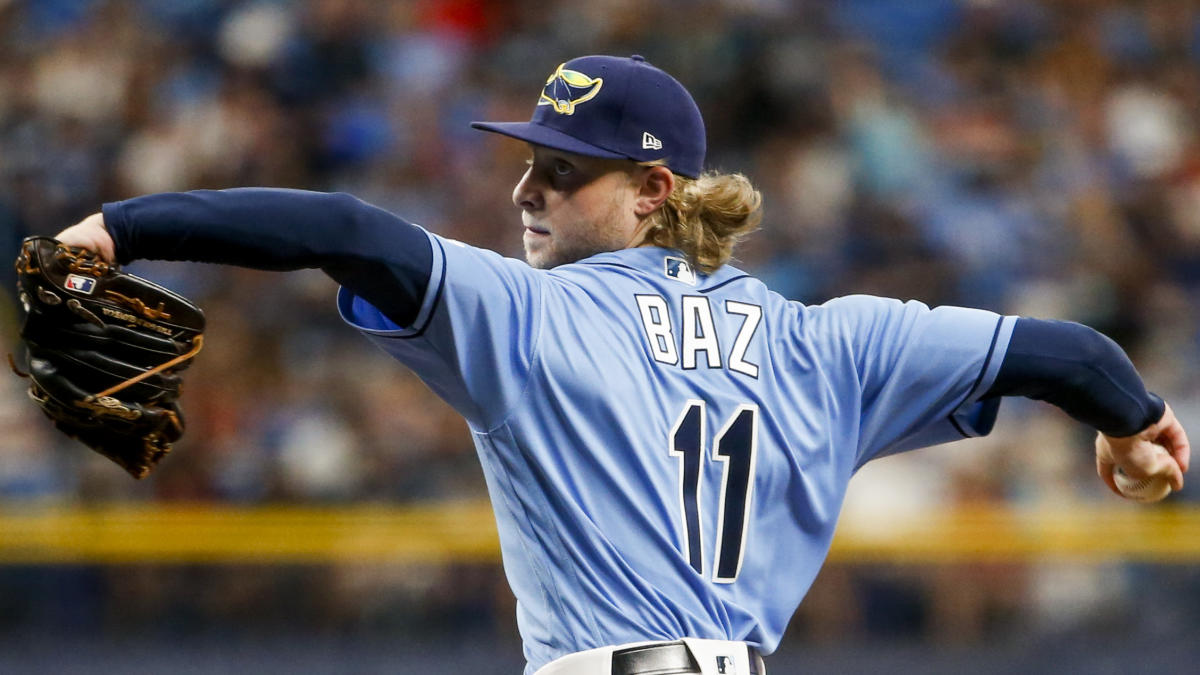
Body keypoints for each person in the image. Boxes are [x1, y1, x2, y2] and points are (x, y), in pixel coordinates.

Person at [53, 54, 1189, 675]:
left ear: (653, 193)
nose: (525, 191)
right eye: (530, 163)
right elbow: (1069, 352)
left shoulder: (529, 317)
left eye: (561, 171)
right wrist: (1134, 427)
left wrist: (124, 227)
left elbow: (342, 231)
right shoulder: (827, 340)